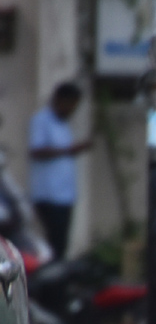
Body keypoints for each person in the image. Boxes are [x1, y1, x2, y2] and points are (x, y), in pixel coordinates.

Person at [27, 82, 90, 258]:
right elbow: (36, 151)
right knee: (53, 244)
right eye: (70, 104)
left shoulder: (63, 125)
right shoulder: (42, 120)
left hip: (65, 195)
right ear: (59, 100)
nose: (72, 109)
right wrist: (69, 150)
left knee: (61, 244)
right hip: (48, 195)